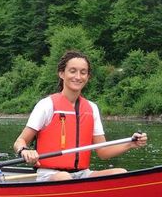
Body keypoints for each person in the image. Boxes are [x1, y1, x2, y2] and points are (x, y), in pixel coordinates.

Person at [13, 50, 147, 181]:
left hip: (83, 174)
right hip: (51, 174)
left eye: (83, 72)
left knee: (120, 173)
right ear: (61, 73)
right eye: (72, 71)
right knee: (65, 177)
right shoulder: (47, 105)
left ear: (88, 77)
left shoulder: (91, 108)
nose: (78, 76)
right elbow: (20, 141)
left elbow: (103, 152)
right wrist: (24, 150)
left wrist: (131, 144)